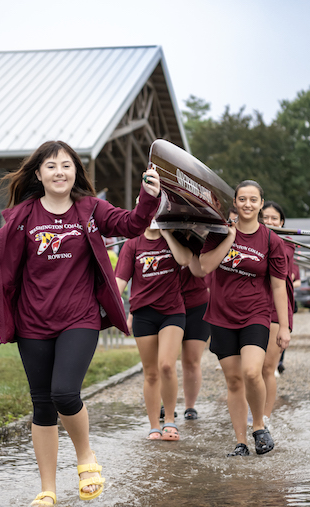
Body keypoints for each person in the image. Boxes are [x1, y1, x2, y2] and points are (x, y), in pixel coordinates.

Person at [0, 140, 160, 507]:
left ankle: (86, 457)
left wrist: (148, 196)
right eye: (52, 166)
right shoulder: (22, 217)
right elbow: (1, 268)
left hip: (79, 317)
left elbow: (133, 223)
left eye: (67, 165)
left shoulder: (90, 209)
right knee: (41, 405)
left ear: (76, 172)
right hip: (32, 321)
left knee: (64, 393)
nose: (60, 172)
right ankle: (48, 489)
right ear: (38, 174)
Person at [199, 180, 289, 457]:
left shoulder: (272, 241)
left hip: (255, 314)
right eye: (242, 199)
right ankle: (240, 442)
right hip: (221, 315)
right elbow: (204, 268)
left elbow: (278, 286)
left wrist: (284, 326)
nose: (248, 204)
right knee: (234, 381)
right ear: (235, 203)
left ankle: (259, 425)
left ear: (261, 204)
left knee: (252, 372)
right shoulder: (218, 233)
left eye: (253, 200)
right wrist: (228, 237)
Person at [115, 222, 192, 441]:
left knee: (166, 365)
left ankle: (169, 420)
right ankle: (154, 425)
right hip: (143, 314)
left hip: (172, 311)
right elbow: (120, 280)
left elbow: (185, 260)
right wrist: (110, 307)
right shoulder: (132, 244)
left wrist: (167, 233)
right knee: (150, 373)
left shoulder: (174, 237)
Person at [260, 201, 297, 425]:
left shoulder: (287, 243)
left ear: (282, 222)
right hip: (254, 306)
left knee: (267, 367)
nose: (271, 222)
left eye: (275, 218)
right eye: (266, 218)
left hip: (277, 308)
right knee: (252, 369)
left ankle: (265, 416)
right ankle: (253, 412)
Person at [177, 233, 210, 421]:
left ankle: (190, 406)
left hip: (197, 305)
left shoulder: (199, 240)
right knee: (164, 361)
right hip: (168, 304)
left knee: (191, 360)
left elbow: (200, 271)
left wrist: (186, 244)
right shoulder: (162, 235)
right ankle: (165, 402)